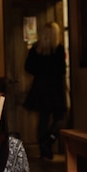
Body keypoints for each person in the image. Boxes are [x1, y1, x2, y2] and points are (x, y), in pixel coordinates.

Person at [23, 21, 67, 160]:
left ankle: (44, 147)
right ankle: (49, 140)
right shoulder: (58, 49)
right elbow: (61, 70)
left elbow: (28, 67)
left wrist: (40, 73)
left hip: (40, 88)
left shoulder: (36, 49)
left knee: (43, 118)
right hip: (55, 88)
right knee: (60, 117)